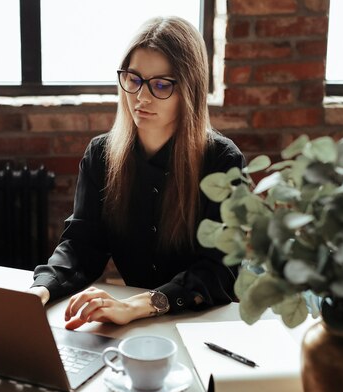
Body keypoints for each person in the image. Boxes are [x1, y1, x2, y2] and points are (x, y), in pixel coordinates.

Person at [27, 16, 245, 330]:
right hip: (135, 326)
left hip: (205, 326)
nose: (141, 97)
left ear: (189, 90)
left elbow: (219, 271)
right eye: (133, 79)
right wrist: (40, 291)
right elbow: (81, 246)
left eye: (160, 85)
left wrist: (136, 306)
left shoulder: (222, 160)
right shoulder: (100, 155)